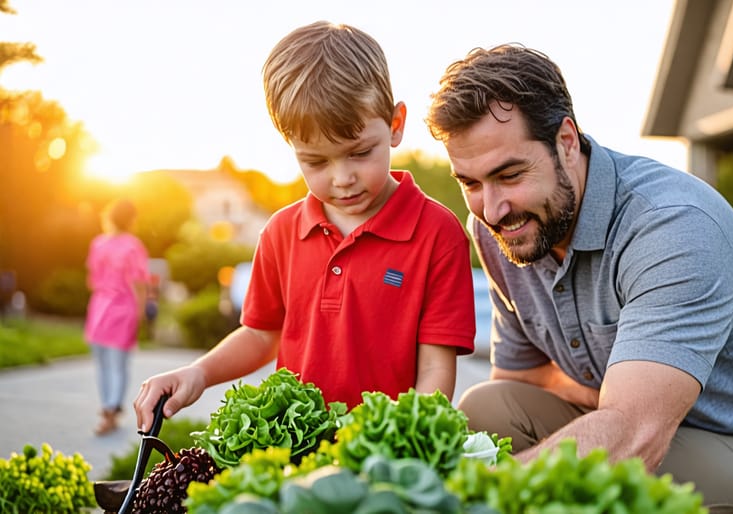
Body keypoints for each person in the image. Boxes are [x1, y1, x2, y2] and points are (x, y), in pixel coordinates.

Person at [425, 44, 733, 513]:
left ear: (566, 142)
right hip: (628, 420)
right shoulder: (503, 228)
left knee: (617, 455)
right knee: (489, 408)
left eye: (509, 174)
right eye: (470, 183)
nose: (492, 209)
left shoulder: (673, 226)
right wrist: (611, 403)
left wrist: (474, 496)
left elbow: (635, 436)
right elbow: (522, 378)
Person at [134, 21, 475, 430]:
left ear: (396, 124)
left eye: (360, 152)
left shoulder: (438, 233)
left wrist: (405, 439)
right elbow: (261, 335)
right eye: (315, 161)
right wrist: (199, 373)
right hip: (294, 454)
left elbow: (436, 370)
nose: (342, 177)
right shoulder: (281, 232)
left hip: (386, 460)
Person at [85, 198, 150, 435]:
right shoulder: (133, 246)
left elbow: (91, 279)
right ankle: (111, 410)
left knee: (102, 362)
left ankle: (107, 410)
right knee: (118, 364)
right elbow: (140, 283)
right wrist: (141, 313)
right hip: (124, 308)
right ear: (132, 219)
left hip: (100, 307)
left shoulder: (98, 243)